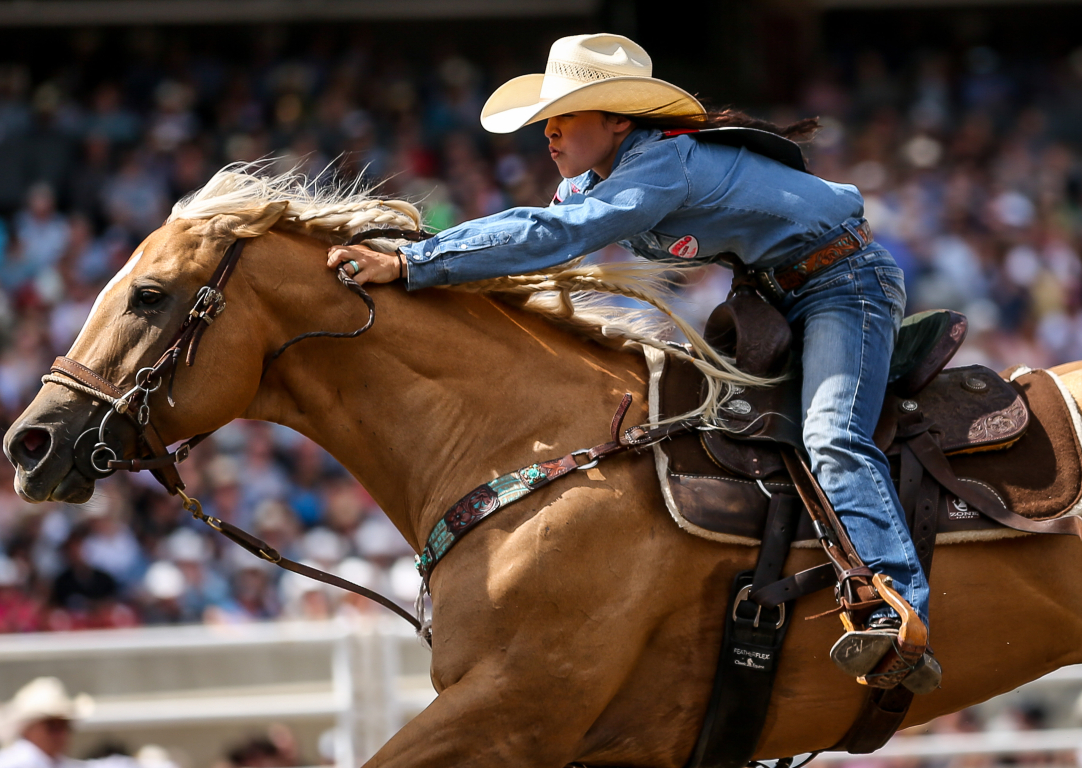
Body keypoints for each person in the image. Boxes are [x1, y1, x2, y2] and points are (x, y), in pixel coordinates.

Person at [325, 32, 939, 692]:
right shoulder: (602, 178)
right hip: (779, 296)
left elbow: (551, 237)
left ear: (618, 119)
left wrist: (411, 262)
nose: (549, 135)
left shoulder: (659, 162)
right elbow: (534, 236)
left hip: (845, 286)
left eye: (564, 119)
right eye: (545, 123)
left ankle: (897, 611)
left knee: (831, 434)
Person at [0, 677, 93, 768]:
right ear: (28, 728)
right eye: (52, 725)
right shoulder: (13, 762)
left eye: (64, 725)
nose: (61, 733)